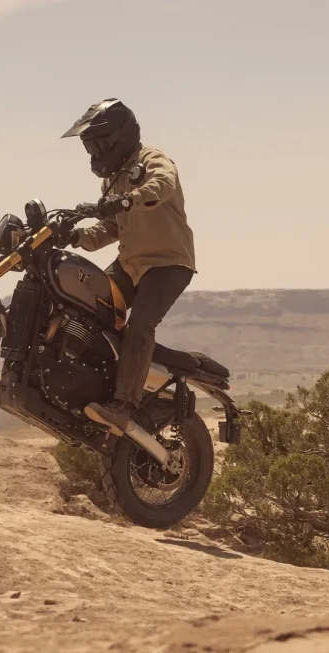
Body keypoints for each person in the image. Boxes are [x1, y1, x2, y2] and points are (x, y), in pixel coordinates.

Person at [61, 99, 196, 434]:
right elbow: (110, 229)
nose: (93, 152)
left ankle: (124, 405)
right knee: (86, 305)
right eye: (89, 146)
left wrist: (127, 198)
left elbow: (163, 184)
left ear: (119, 137)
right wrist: (75, 236)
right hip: (130, 264)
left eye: (98, 144)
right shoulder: (112, 181)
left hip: (167, 263)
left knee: (139, 326)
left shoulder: (151, 159)